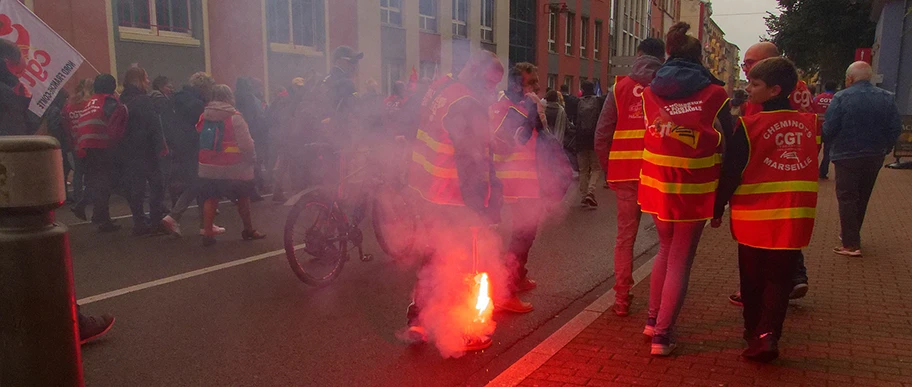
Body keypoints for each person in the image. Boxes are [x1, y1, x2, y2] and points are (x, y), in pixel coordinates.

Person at [0, 38, 116, 344]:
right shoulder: (7, 94)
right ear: (10, 63)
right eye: (23, 61)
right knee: (41, 257)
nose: (27, 67)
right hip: (13, 196)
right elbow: (16, 149)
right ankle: (70, 325)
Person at [713, 57, 819, 362]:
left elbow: (732, 172)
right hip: (794, 215)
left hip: (755, 217)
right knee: (780, 280)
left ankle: (752, 333)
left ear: (774, 90)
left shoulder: (748, 126)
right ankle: (769, 335)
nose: (748, 89)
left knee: (753, 280)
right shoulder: (810, 124)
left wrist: (717, 207)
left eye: (754, 84)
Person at [639, 23, 733, 356]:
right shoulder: (716, 93)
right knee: (680, 258)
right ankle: (662, 336)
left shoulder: (651, 91)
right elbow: (728, 138)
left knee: (664, 250)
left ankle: (652, 320)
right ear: (700, 58)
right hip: (695, 184)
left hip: (657, 181)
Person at [403, 51, 505, 352]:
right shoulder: (468, 104)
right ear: (476, 73)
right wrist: (483, 207)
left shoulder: (441, 87)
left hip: (425, 187)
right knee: (461, 260)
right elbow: (471, 162)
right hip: (453, 194)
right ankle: (464, 330)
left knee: (433, 255)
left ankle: (419, 320)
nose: (491, 90)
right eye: (489, 83)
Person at [728, 41, 812, 306]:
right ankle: (795, 278)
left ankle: (759, 302)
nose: (747, 71)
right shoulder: (797, 88)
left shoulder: (766, 94)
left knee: (760, 255)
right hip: (794, 190)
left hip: (762, 192)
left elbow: (752, 139)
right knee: (785, 242)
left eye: (751, 63)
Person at [594, 37, 665, 317]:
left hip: (625, 173)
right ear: (663, 57)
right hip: (659, 170)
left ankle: (621, 299)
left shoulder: (619, 87)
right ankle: (659, 306)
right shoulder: (668, 85)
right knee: (667, 240)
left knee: (625, 238)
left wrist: (608, 171)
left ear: (638, 55)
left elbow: (602, 134)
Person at [825, 61, 902, 257]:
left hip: (846, 154)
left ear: (850, 78)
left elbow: (830, 127)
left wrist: (829, 142)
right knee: (862, 195)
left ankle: (851, 244)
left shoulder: (841, 98)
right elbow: (895, 127)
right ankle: (851, 234)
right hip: (875, 154)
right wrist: (886, 147)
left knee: (847, 197)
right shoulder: (887, 98)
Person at [491, 62, 546, 314]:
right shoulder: (509, 109)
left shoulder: (524, 106)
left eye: (537, 82)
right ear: (516, 85)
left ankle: (519, 276)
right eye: (531, 83)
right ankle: (506, 291)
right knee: (521, 236)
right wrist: (528, 116)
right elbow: (502, 146)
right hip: (516, 183)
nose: (537, 87)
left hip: (528, 182)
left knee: (529, 233)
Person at [197, 84, 266, 247]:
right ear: (229, 97)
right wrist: (252, 160)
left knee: (211, 198)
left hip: (208, 165)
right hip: (235, 167)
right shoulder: (235, 117)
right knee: (243, 197)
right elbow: (247, 145)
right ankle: (248, 230)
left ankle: (207, 233)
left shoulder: (204, 115)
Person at [160, 72, 225, 237]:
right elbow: (206, 128)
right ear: (204, 88)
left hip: (177, 147)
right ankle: (176, 217)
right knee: (199, 183)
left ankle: (204, 224)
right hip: (195, 147)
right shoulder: (198, 105)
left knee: (196, 183)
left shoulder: (175, 99)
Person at [64, 74, 128, 232]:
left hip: (86, 146)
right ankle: (99, 217)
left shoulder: (91, 101)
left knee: (96, 181)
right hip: (101, 145)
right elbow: (115, 129)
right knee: (105, 183)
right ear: (112, 87)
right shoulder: (110, 101)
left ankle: (94, 213)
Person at [119, 66, 168, 236]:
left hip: (127, 149)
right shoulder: (144, 100)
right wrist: (161, 147)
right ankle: (155, 221)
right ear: (138, 80)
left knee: (136, 188)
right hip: (146, 150)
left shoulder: (122, 99)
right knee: (157, 185)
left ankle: (139, 222)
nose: (148, 81)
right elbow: (153, 126)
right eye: (146, 78)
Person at [235, 77, 267, 200]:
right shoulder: (250, 98)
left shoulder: (234, 98)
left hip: (236, 133)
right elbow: (256, 117)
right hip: (252, 133)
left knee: (240, 163)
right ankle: (253, 191)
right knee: (253, 161)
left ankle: (239, 191)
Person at [573, 81, 604, 208]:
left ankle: (583, 196)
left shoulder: (577, 102)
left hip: (580, 139)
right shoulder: (598, 102)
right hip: (594, 138)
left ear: (582, 90)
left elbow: (574, 120)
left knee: (583, 170)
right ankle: (590, 192)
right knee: (596, 168)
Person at [814, 81, 837, 179]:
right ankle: (823, 172)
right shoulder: (836, 99)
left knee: (814, 152)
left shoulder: (817, 98)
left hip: (817, 128)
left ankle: (812, 171)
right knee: (827, 152)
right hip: (830, 129)